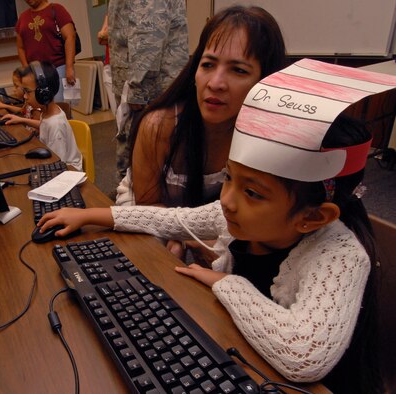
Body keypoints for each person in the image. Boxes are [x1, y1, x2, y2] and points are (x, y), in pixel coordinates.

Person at [37, 59, 396, 392]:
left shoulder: (341, 255)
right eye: (229, 177)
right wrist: (93, 215)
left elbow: (303, 357)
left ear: (313, 217)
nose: (227, 199)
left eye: (252, 192)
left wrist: (228, 284)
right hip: (249, 358)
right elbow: (175, 220)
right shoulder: (234, 214)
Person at [117, 5, 287, 264]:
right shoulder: (158, 126)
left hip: (220, 235)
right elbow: (147, 207)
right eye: (207, 64)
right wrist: (186, 238)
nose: (215, 83)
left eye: (238, 70)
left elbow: (267, 225)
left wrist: (207, 242)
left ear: (266, 81)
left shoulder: (270, 140)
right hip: (151, 215)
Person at [108, 0, 189, 182]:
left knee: (146, 153)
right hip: (139, 83)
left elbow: (148, 32)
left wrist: (139, 89)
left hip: (151, 87)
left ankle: (138, 201)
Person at [19, 61, 82, 171]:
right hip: (56, 164)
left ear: (43, 93)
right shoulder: (47, 113)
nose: (24, 96)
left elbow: (57, 166)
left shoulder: (55, 125)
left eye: (27, 91)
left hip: (69, 172)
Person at [15, 0, 77, 102]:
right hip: (35, 72)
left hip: (58, 68)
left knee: (59, 106)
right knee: (40, 107)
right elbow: (20, 47)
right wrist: (27, 70)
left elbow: (70, 37)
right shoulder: (22, 18)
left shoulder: (57, 9)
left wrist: (69, 68)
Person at [0, 66, 42, 132]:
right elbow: (23, 111)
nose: (14, 90)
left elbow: (40, 126)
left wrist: (21, 120)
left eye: (16, 86)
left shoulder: (35, 106)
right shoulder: (28, 102)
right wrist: (5, 106)